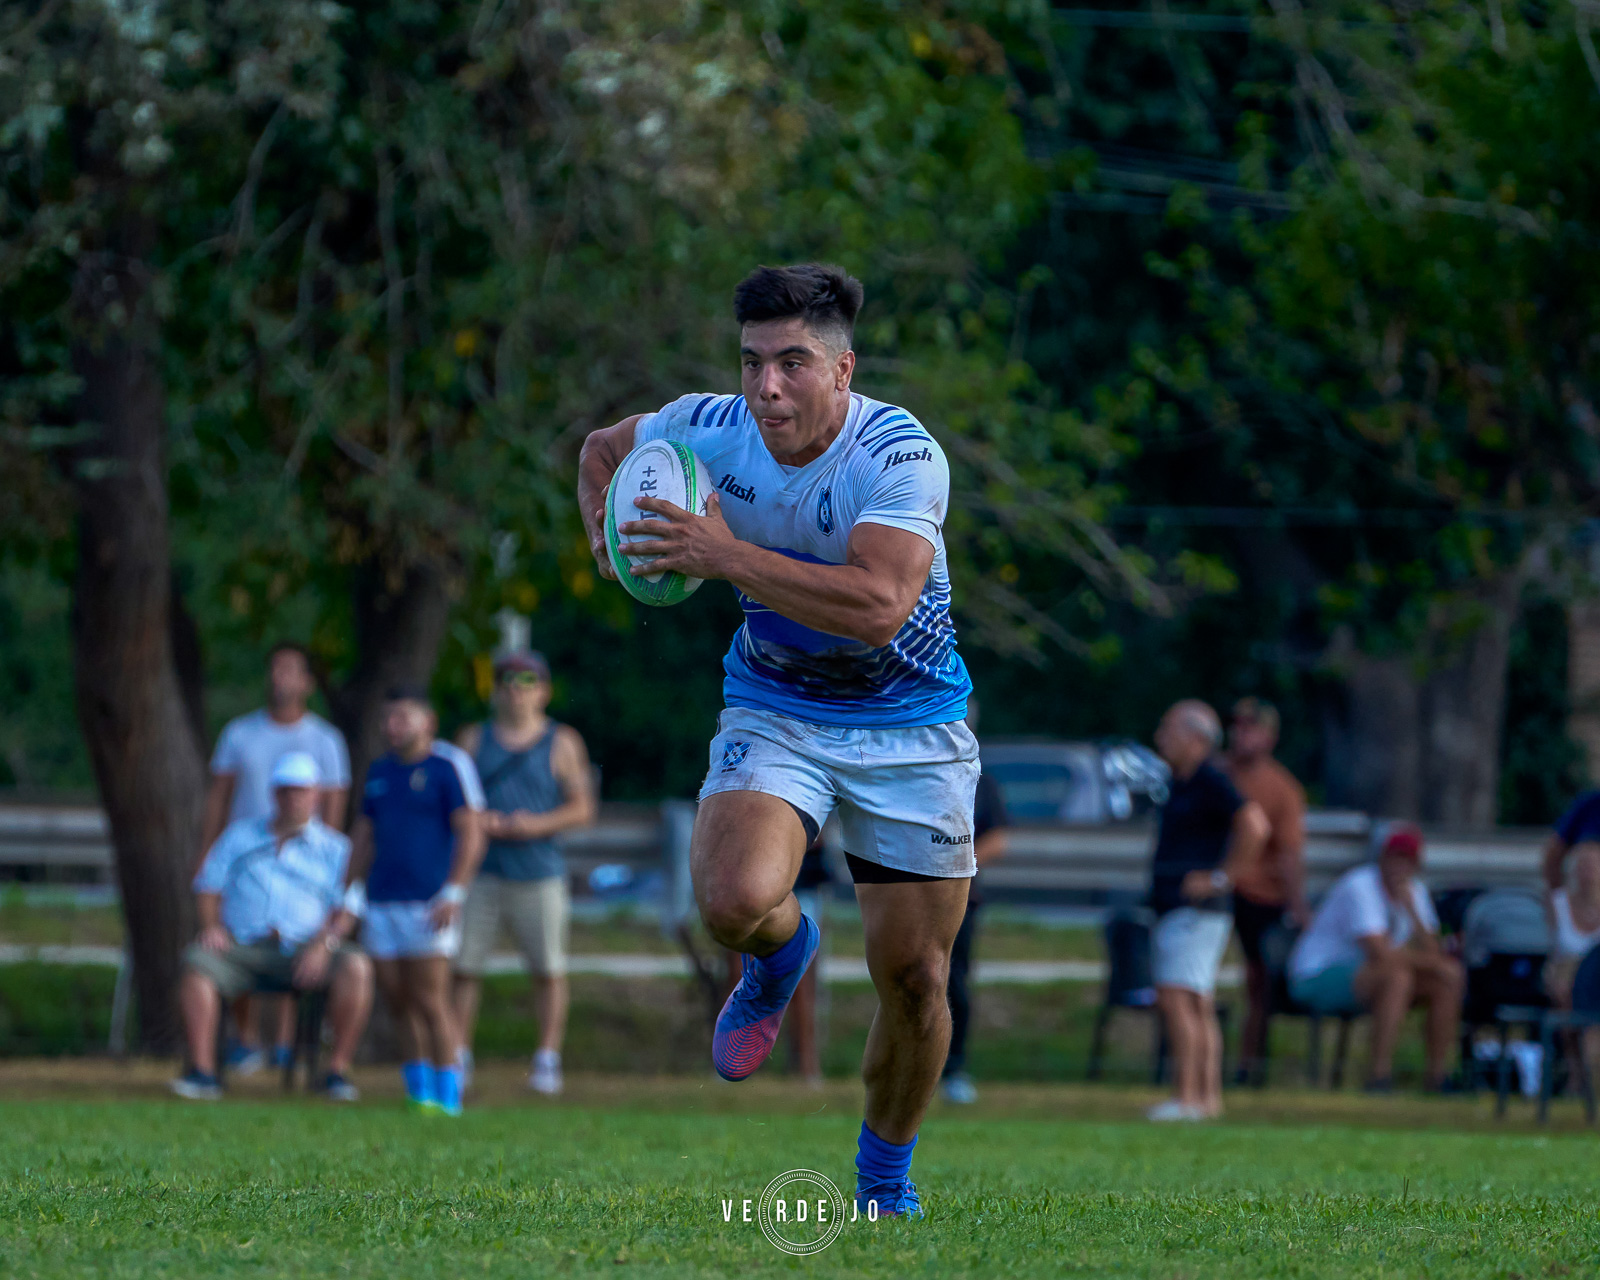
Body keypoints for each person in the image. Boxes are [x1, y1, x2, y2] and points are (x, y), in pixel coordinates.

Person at [578, 263, 977, 1218]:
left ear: (843, 370)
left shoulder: (900, 453)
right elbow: (602, 447)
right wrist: (609, 543)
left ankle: (884, 1181)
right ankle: (780, 956)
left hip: (911, 724)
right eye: (753, 362)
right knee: (729, 903)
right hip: (777, 706)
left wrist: (723, 557)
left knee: (916, 978)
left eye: (793, 364)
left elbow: (881, 605)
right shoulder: (707, 428)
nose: (767, 389)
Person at [172, 752, 373, 1102]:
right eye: (286, 791)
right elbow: (208, 885)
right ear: (274, 794)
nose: (293, 798)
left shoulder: (335, 849)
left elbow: (349, 908)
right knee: (197, 962)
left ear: (317, 796)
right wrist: (212, 926)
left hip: (306, 947)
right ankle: (203, 1073)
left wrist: (324, 945)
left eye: (302, 791)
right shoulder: (240, 836)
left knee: (356, 967)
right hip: (243, 946)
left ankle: (336, 1072)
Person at [195, 643, 351, 1074]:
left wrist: (328, 860)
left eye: (291, 670)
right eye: (275, 668)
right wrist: (209, 852)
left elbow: (335, 806)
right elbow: (220, 798)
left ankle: (286, 1045)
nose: (280, 677)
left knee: (294, 928)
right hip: (247, 853)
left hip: (305, 858)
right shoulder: (240, 734)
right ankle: (243, 1041)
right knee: (241, 930)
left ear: (307, 682)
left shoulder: (325, 740)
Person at [453, 649, 596, 1096]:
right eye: (508, 680)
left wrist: (531, 825)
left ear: (544, 692)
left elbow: (582, 809)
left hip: (540, 873)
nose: (516, 689)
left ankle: (547, 1058)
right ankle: (457, 1053)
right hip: (481, 871)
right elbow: (454, 804)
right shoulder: (473, 740)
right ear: (495, 690)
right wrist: (482, 823)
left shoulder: (563, 741)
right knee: (465, 967)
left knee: (548, 970)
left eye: (527, 681)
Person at [346, 686, 486, 1117]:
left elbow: (471, 832)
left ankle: (450, 1094)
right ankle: (418, 1091)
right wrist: (349, 891)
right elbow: (365, 835)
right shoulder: (379, 772)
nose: (393, 727)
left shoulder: (447, 768)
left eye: (403, 718)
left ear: (427, 722)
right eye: (389, 719)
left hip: (429, 904)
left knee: (431, 999)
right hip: (383, 902)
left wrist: (454, 891)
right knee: (398, 1000)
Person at [1146, 700, 1270, 1122]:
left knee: (1179, 996)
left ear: (1197, 737)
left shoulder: (1211, 779)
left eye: (1170, 729)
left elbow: (1255, 825)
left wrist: (1221, 878)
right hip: (1182, 907)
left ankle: (1188, 1097)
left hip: (1197, 908)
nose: (1161, 737)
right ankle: (1205, 1097)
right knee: (1195, 999)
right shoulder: (1179, 781)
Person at [1288, 822, 1463, 1091]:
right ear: (1382, 858)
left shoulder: (1415, 892)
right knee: (1398, 978)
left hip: (1368, 977)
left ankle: (1437, 1078)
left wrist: (1413, 914)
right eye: (1395, 858)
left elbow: (1432, 949)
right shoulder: (1360, 885)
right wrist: (1440, 965)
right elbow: (1380, 953)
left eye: (1407, 861)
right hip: (1318, 973)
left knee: (1443, 986)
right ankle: (1378, 1076)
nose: (1400, 867)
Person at [1223, 697, 1308, 1086]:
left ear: (1270, 737)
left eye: (1252, 728)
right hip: (1214, 888)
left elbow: (1289, 854)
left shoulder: (1282, 788)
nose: (1242, 735)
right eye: (1238, 726)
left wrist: (1298, 909)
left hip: (1257, 896)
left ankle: (1248, 1065)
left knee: (1259, 981)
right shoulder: (1215, 774)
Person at [940, 757, 1009, 1105]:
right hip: (910, 896)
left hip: (959, 896)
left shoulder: (981, 779)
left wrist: (956, 865)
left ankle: (954, 1069)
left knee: (955, 982)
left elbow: (998, 840)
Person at [1544, 842, 1600, 1007]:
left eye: (1593, 865)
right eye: (1582, 865)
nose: (1587, 871)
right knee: (1562, 984)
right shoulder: (1556, 903)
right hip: (1563, 978)